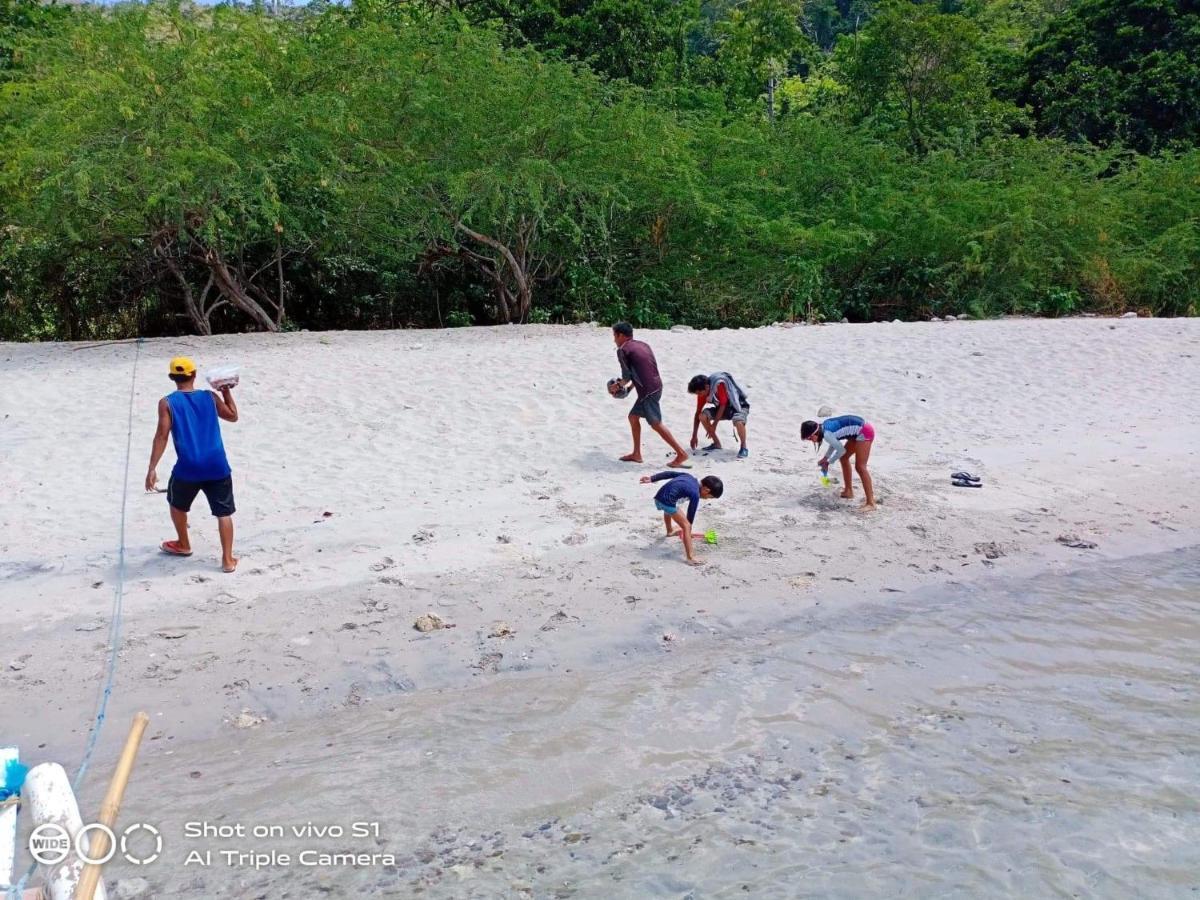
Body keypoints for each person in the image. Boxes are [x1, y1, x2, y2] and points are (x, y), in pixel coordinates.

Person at [145, 356, 241, 572]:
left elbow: (161, 436)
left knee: (176, 504)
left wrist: (152, 468)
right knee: (223, 512)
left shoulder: (167, 402)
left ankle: (184, 544)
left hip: (188, 467)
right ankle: (227, 560)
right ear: (194, 375)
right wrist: (225, 391)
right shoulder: (209, 396)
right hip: (217, 465)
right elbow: (233, 416)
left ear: (172, 378)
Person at [609, 322, 690, 468]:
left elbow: (626, 377)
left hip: (647, 392)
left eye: (614, 335)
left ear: (621, 335)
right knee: (633, 417)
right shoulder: (643, 345)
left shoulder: (622, 350)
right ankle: (637, 454)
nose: (614, 339)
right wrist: (630, 388)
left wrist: (617, 387)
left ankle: (681, 453)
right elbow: (643, 370)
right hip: (656, 386)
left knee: (656, 424)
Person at [640, 471, 724, 565]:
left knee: (673, 507)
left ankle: (670, 531)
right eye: (710, 497)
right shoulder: (695, 494)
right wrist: (688, 531)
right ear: (706, 490)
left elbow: (669, 474)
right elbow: (691, 513)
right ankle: (690, 557)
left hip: (659, 498)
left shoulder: (689, 476)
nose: (707, 499)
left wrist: (652, 478)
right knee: (686, 526)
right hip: (665, 502)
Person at [801, 415, 876, 511]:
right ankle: (848, 491)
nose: (812, 441)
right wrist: (825, 458)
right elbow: (834, 443)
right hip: (855, 434)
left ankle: (871, 503)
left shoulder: (827, 434)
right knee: (844, 459)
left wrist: (828, 462)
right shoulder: (824, 427)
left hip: (864, 432)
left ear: (814, 434)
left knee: (860, 467)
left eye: (810, 439)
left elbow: (841, 450)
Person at [687, 373, 750, 458]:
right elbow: (697, 413)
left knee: (738, 422)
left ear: (706, 387)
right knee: (702, 416)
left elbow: (723, 405)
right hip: (723, 409)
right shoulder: (703, 393)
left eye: (699, 393)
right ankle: (716, 443)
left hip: (739, 406)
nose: (699, 395)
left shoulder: (718, 384)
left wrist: (714, 425)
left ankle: (743, 447)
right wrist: (694, 436)